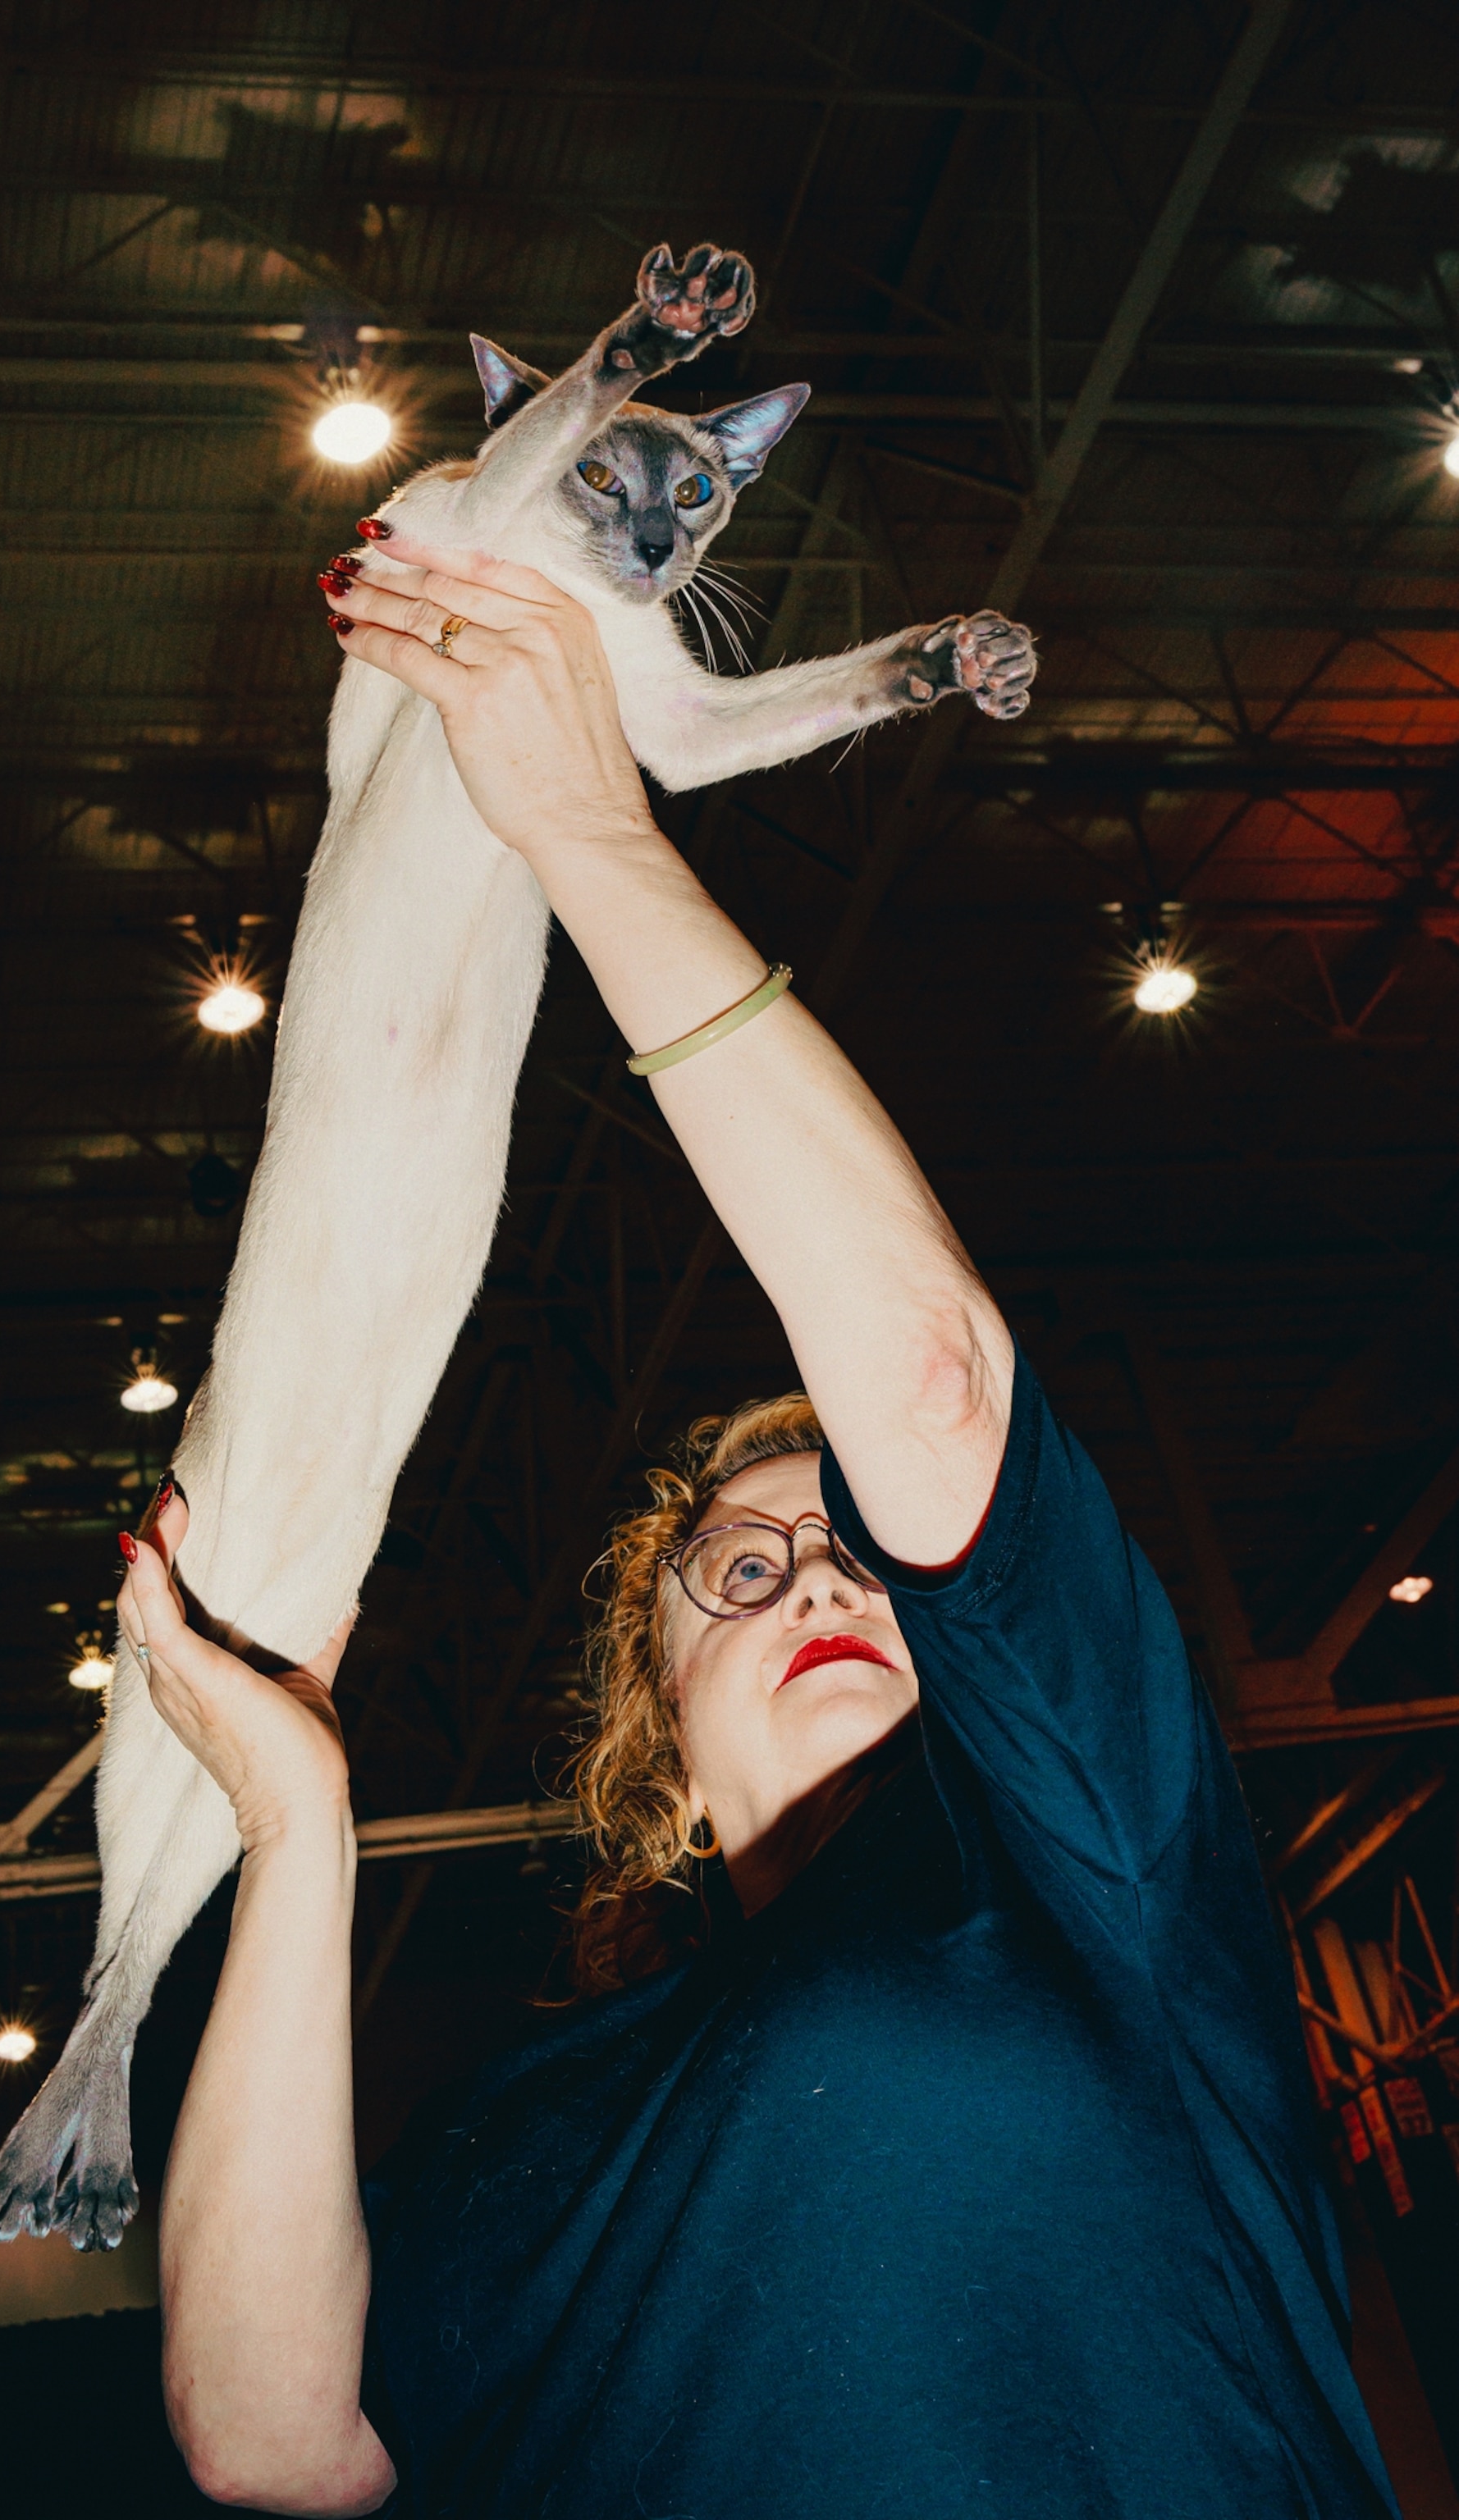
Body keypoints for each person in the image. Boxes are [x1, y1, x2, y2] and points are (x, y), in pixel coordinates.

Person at [117, 541, 1399, 2518]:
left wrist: (580, 824)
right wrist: (296, 1836)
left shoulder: (1086, 1856)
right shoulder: (534, 2122)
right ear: (659, 1745)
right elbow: (274, 2439)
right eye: (741, 1566)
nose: (817, 1568)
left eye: (859, 1551)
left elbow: (934, 1384)